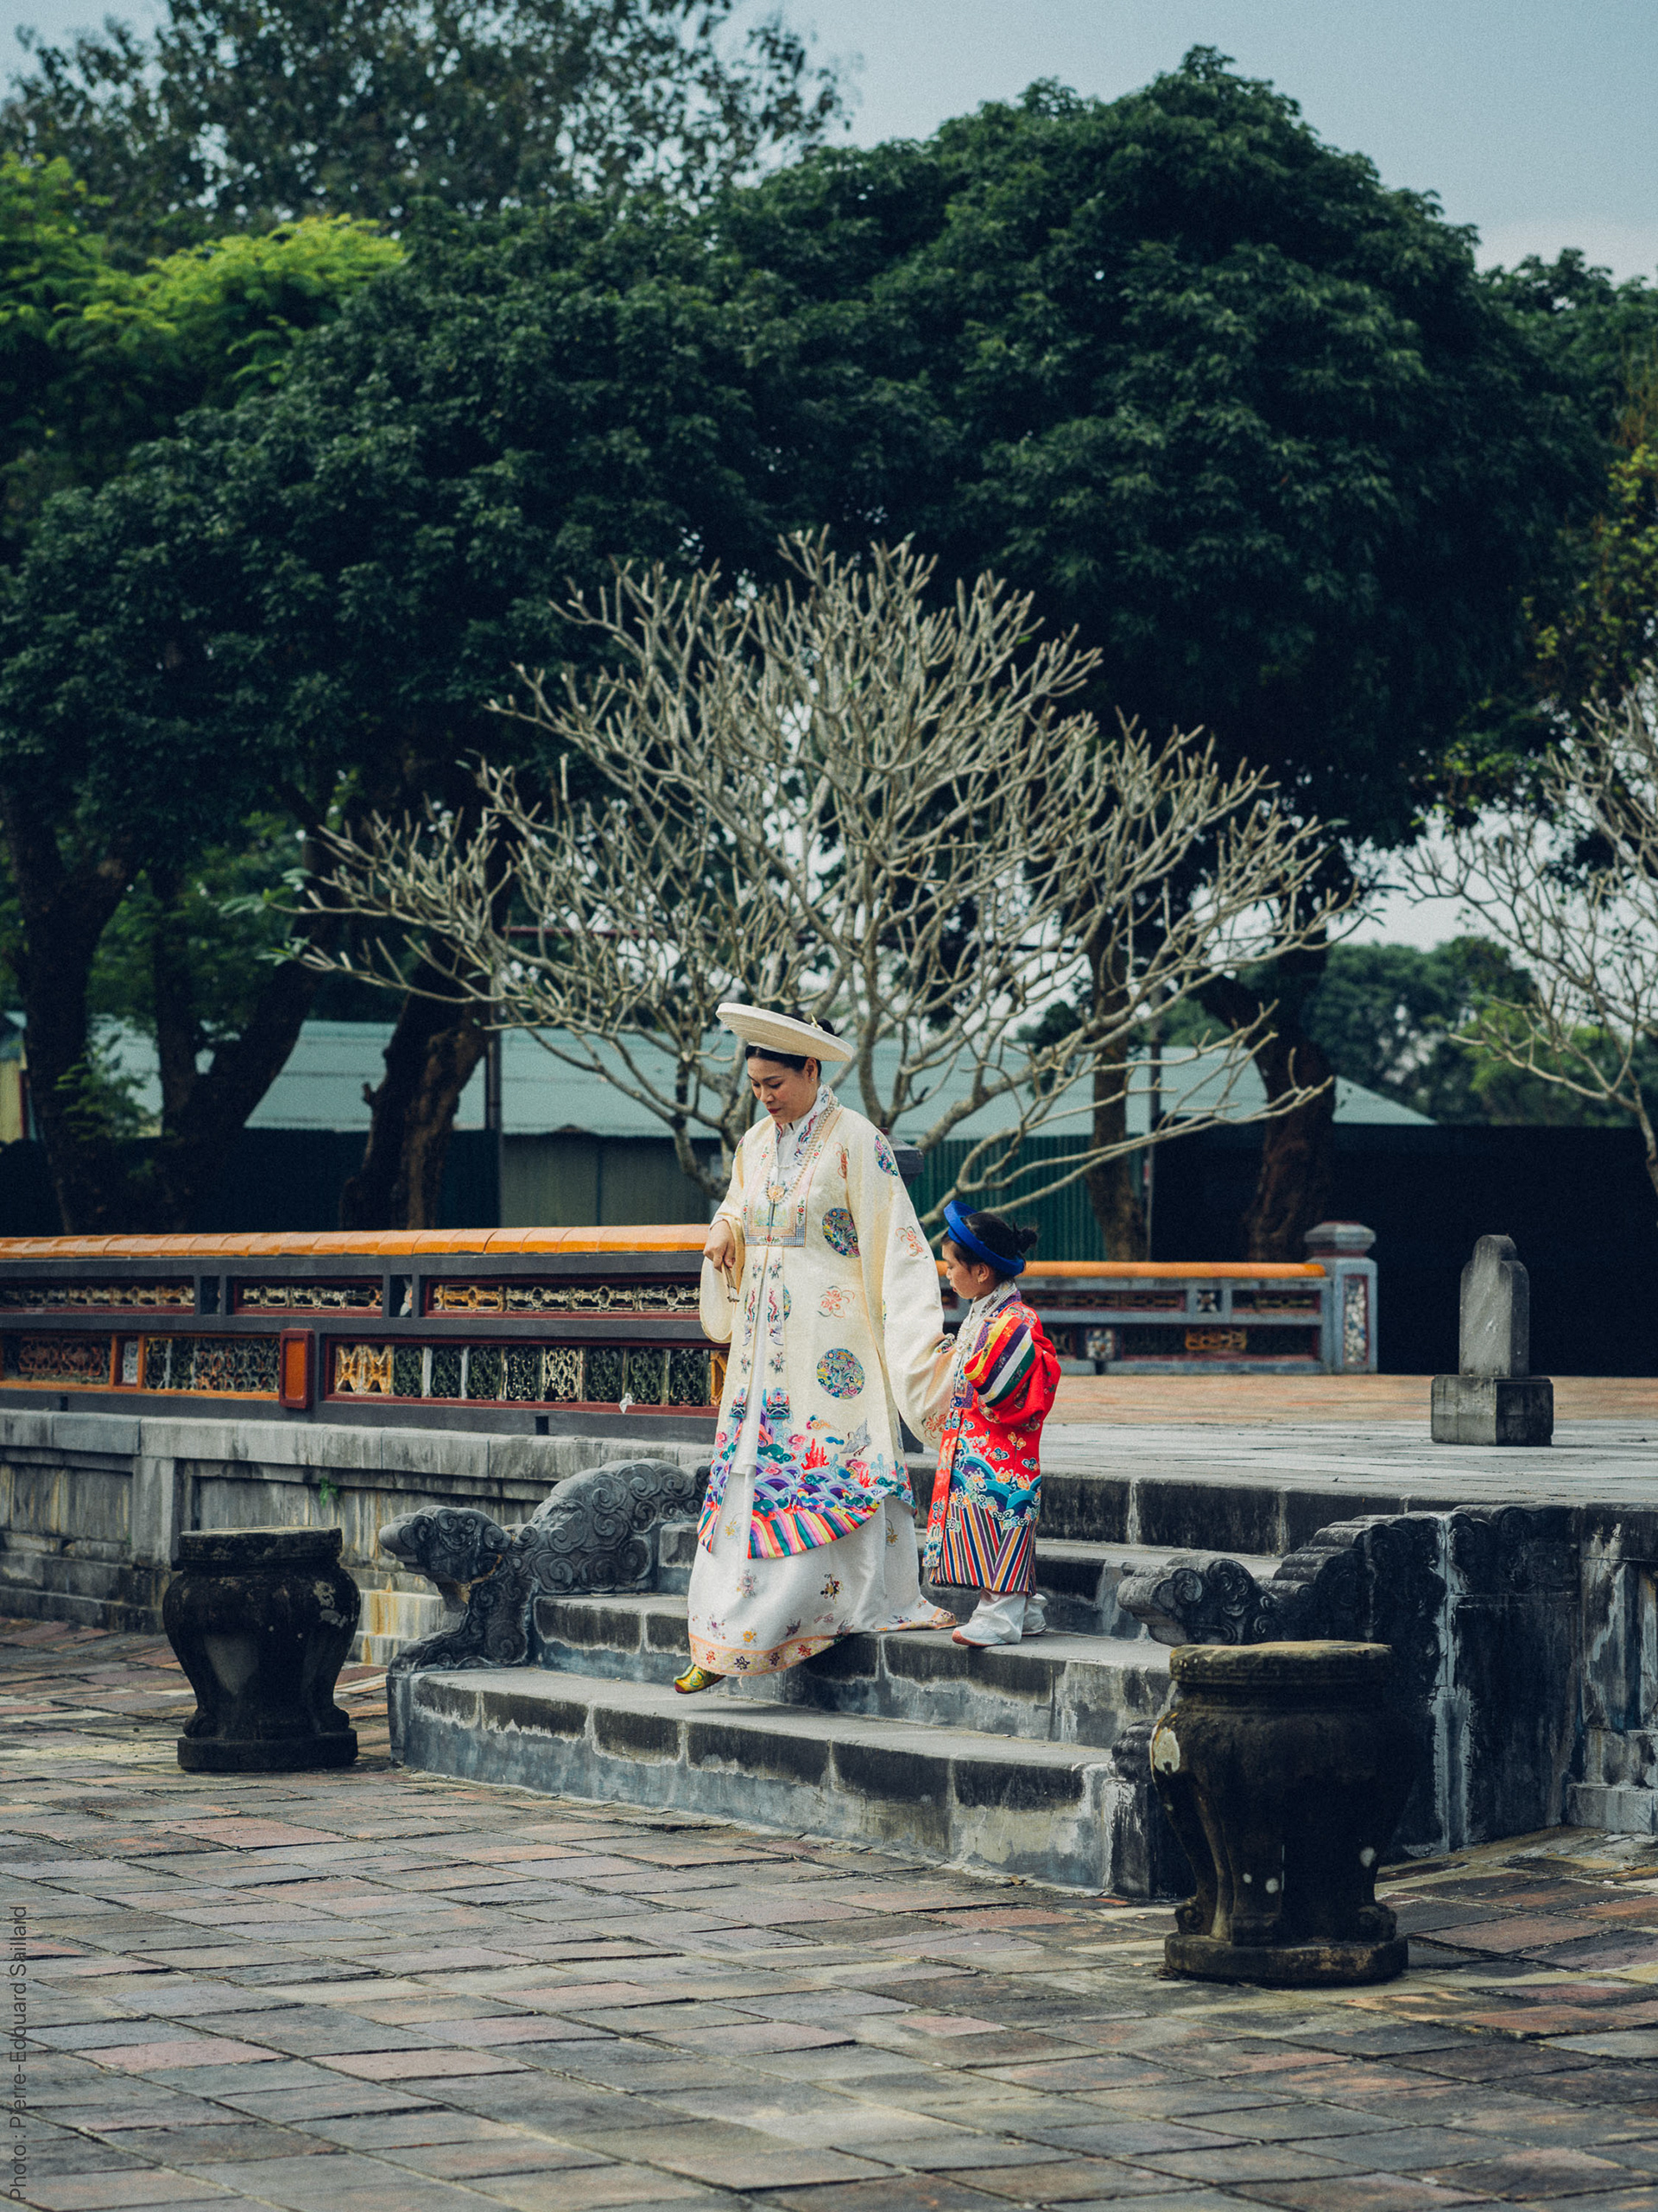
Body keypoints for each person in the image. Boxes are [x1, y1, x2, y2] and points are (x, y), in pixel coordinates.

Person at [680, 1004, 957, 1693]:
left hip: (832, 1347)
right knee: (750, 1470)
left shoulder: (857, 1142)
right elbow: (741, 1203)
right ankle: (725, 1632)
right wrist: (723, 1226)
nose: (764, 1096)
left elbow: (898, 1245)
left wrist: (917, 1346)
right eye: (755, 1085)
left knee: (821, 1466)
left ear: (812, 1068)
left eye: (775, 1082)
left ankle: (809, 1616)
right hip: (762, 1347)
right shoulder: (755, 1144)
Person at [924, 1200, 1061, 1649]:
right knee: (988, 1521)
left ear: (981, 1271)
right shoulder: (989, 1313)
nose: (947, 1272)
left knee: (1003, 1516)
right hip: (978, 1445)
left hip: (1002, 1450)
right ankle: (1022, 1607)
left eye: (951, 1264)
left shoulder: (1013, 1320)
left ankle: (1001, 1615)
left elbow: (1001, 1387)